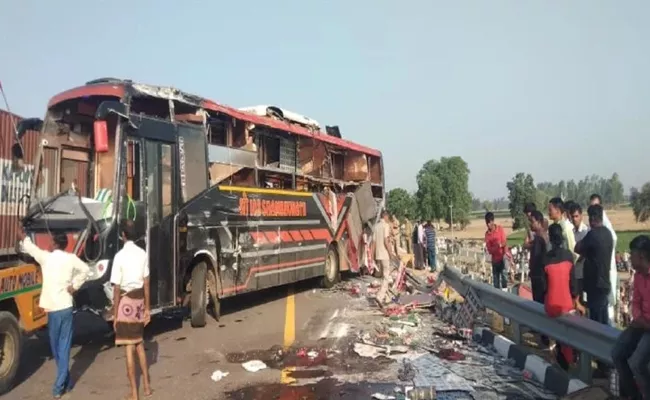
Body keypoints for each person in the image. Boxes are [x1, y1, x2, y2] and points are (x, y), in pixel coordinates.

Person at [17, 229, 90, 399]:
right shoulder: (70, 258)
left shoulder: (47, 258)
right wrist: (74, 286)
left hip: (53, 310)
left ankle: (58, 387)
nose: (48, 243)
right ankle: (67, 381)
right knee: (62, 348)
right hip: (65, 306)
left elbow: (31, 249)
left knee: (57, 348)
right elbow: (85, 270)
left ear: (55, 243)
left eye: (51, 241)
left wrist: (23, 237)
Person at [111, 220, 153, 400]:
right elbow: (146, 283)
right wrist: (147, 309)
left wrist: (114, 313)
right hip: (139, 302)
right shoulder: (142, 253)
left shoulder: (119, 256)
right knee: (139, 344)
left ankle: (134, 394)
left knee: (128, 347)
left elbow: (117, 288)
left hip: (126, 303)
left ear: (123, 236)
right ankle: (147, 387)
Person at [575, 204, 613, 376]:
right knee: (604, 324)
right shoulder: (608, 234)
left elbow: (577, 248)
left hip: (595, 285)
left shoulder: (592, 234)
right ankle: (606, 362)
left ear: (591, 219)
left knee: (597, 326)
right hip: (604, 284)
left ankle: (603, 365)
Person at [611, 235, 650, 399]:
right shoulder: (639, 276)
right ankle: (633, 396)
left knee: (636, 363)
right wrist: (640, 319)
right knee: (617, 353)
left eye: (632, 254)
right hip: (641, 323)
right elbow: (635, 302)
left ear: (641, 256)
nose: (630, 257)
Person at [543, 223, 580, 371]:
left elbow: (545, 286)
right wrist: (576, 299)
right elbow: (573, 285)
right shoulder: (568, 256)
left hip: (551, 305)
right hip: (565, 304)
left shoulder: (546, 259)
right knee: (572, 324)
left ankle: (556, 354)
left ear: (550, 239)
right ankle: (569, 359)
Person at [590, 193, 619, 326]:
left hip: (607, 269)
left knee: (607, 308)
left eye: (596, 205)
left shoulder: (605, 225)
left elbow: (613, 239)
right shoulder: (593, 224)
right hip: (597, 273)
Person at [528, 210, 551, 348]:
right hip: (539, 277)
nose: (530, 224)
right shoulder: (541, 238)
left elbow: (538, 260)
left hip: (539, 278)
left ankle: (545, 338)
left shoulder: (540, 239)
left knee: (540, 307)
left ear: (539, 222)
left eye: (532, 221)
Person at [568, 202, 589, 303]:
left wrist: (577, 258)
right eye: (573, 217)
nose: (575, 219)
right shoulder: (571, 231)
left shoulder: (586, 231)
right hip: (574, 272)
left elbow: (586, 252)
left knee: (582, 301)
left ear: (581, 216)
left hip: (583, 272)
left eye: (576, 216)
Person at [374, 210, 395, 303]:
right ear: (385, 216)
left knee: (383, 277)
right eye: (388, 217)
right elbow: (386, 240)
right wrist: (390, 253)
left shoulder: (376, 226)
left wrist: (373, 255)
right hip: (384, 254)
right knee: (386, 277)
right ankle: (380, 296)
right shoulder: (385, 226)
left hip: (378, 254)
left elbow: (373, 243)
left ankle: (387, 298)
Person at [484, 212, 508, 290]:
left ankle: (506, 294)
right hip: (495, 261)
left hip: (502, 258)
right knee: (496, 282)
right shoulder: (487, 234)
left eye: (489, 223)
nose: (488, 225)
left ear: (493, 221)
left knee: (504, 279)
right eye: (487, 223)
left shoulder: (500, 229)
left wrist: (499, 246)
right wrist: (498, 246)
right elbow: (489, 250)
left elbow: (504, 242)